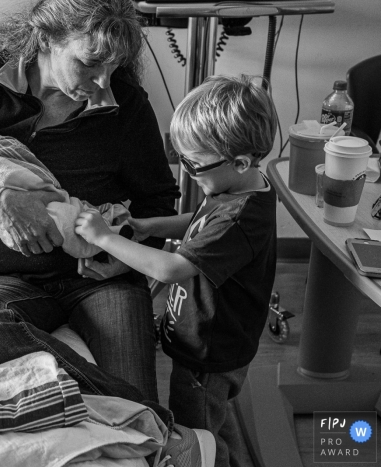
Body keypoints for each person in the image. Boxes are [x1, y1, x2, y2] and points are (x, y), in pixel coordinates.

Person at [0, 0, 181, 433]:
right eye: (90, 64)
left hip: (98, 280)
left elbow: (158, 199)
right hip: (9, 281)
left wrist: (124, 253)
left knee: (136, 388)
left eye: (113, 69)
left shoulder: (125, 105)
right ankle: (132, 408)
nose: (101, 83)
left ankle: (138, 415)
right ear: (46, 39)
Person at [75, 74, 278, 467]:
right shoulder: (238, 188)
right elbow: (202, 222)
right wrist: (153, 226)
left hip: (209, 354)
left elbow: (170, 269)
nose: (186, 170)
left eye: (194, 163)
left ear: (239, 162)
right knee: (217, 419)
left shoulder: (239, 217)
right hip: (209, 343)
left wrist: (102, 237)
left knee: (195, 434)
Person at [0, 101, 133, 259]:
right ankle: (102, 243)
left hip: (50, 202)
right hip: (29, 216)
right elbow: (5, 175)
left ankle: (110, 229)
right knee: (67, 223)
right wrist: (37, 191)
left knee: (78, 210)